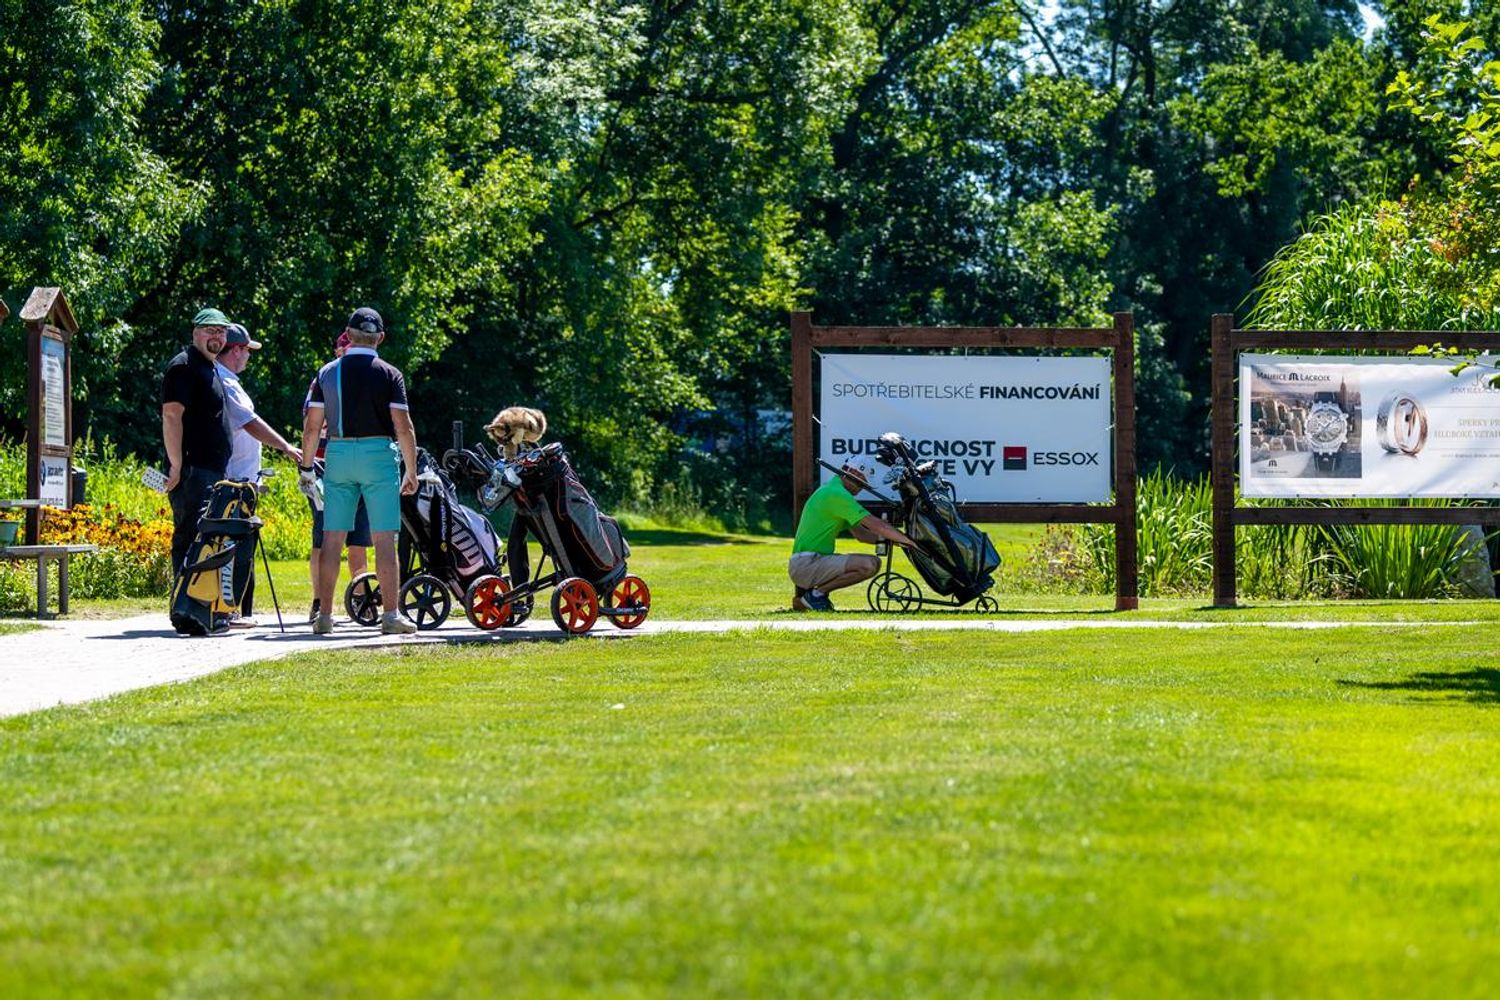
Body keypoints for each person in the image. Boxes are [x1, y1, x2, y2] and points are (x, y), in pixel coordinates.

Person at [300, 307, 419, 636]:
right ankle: (391, 616)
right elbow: (403, 426)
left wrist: (307, 467)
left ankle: (324, 616)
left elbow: (312, 427)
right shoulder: (390, 374)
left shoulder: (328, 372)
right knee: (384, 539)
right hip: (378, 454)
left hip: (338, 453)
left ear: (349, 335)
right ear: (380, 337)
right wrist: (411, 469)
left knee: (332, 537)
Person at [216, 323, 303, 627]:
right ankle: (229, 610)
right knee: (234, 548)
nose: (248, 357)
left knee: (243, 547)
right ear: (236, 350)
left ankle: (238, 610)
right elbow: (249, 422)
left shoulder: (227, 379)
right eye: (247, 351)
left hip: (243, 480)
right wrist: (286, 447)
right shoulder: (225, 381)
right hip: (235, 481)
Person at [303, 330, 371, 623]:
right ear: (338, 351)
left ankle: (362, 599)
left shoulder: (371, 377)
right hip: (325, 465)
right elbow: (312, 424)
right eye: (344, 349)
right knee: (323, 539)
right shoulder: (325, 378)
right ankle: (320, 602)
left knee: (359, 541)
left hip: (361, 467)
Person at [161, 308, 234, 578]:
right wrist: (176, 464)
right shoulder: (184, 366)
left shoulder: (209, 367)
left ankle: (199, 599)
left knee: (206, 541)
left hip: (211, 470)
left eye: (221, 331)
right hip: (193, 471)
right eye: (210, 330)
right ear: (195, 333)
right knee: (191, 537)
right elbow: (171, 415)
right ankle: (183, 598)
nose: (217, 336)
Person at [788, 460, 916, 611]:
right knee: (868, 565)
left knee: (874, 562)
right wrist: (910, 542)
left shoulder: (833, 490)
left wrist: (897, 542)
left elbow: (862, 535)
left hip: (809, 562)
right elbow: (877, 525)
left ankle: (811, 598)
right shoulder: (837, 494)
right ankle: (816, 596)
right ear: (853, 473)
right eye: (861, 484)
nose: (860, 489)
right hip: (807, 564)